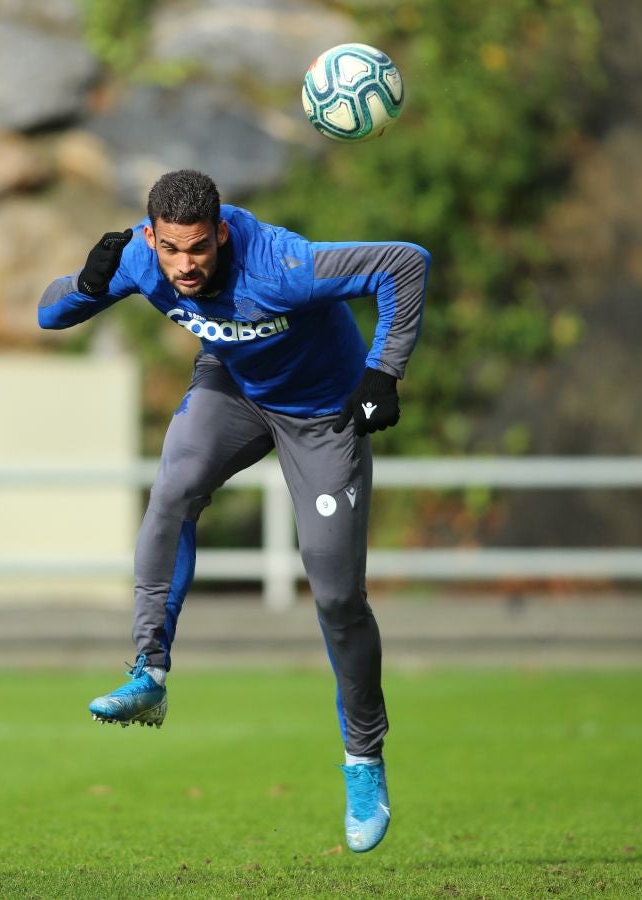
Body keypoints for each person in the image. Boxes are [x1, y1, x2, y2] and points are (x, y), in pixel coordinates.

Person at [37, 169, 430, 854]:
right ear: (151, 236)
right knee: (171, 490)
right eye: (169, 250)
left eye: (197, 249)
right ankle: (149, 674)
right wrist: (88, 285)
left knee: (337, 595)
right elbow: (48, 313)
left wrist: (382, 370)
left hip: (323, 417)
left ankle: (363, 761)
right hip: (232, 388)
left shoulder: (279, 266)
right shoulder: (141, 256)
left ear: (219, 233)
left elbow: (403, 263)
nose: (183, 266)